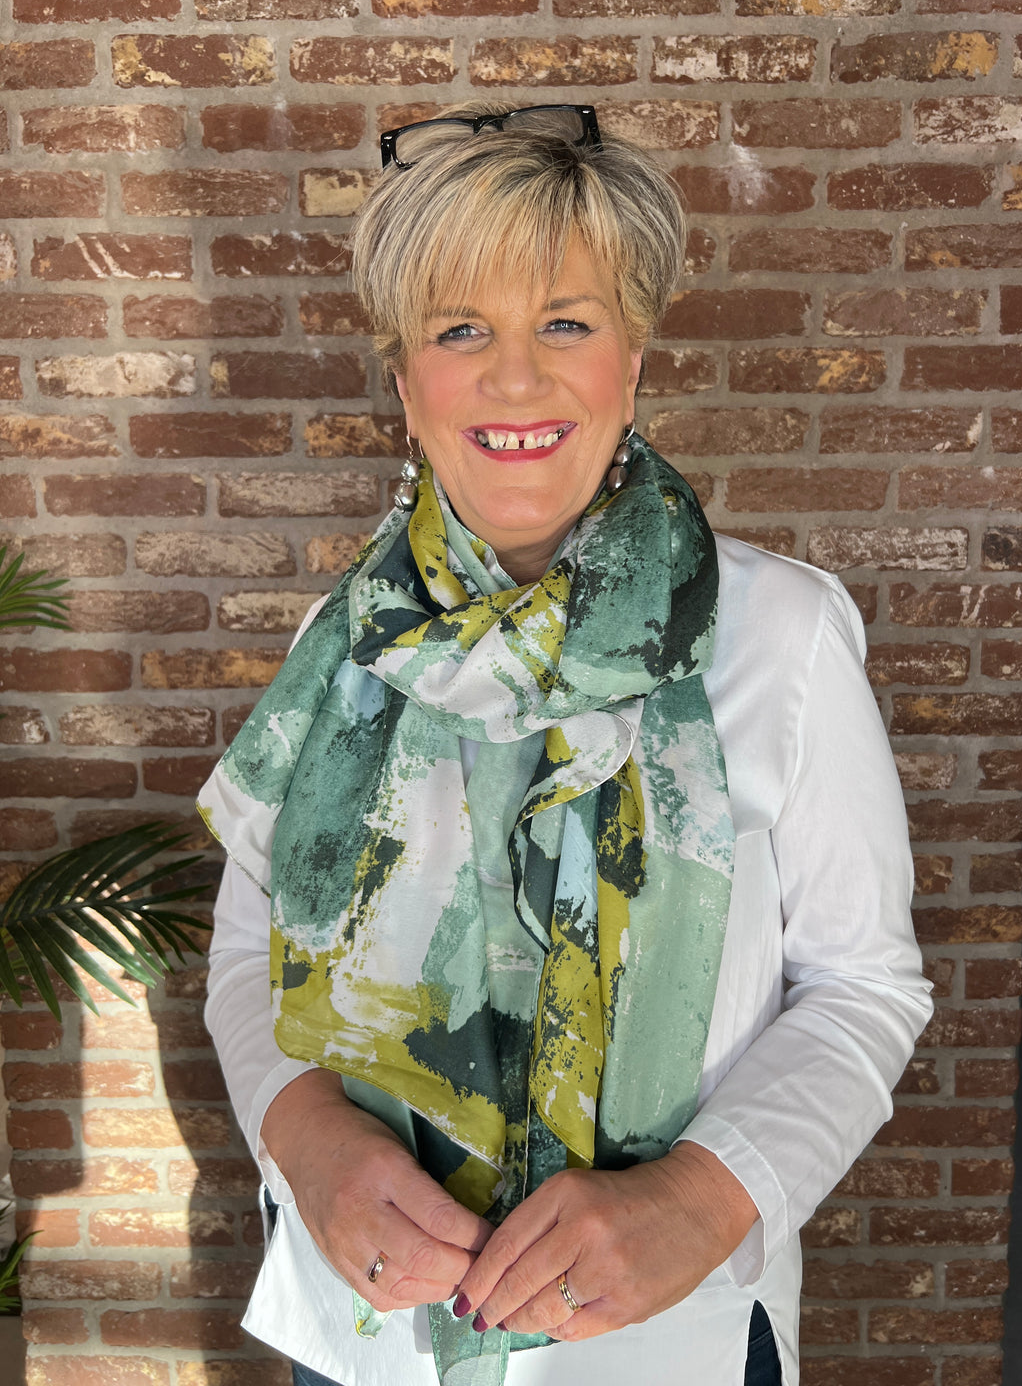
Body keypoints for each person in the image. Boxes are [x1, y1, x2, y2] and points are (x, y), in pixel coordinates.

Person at [198, 100, 933, 1386]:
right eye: (460, 329)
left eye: (566, 324)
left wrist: (703, 1198)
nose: (516, 378)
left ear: (631, 361)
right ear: (406, 379)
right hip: (367, 1336)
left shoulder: (781, 634)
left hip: (660, 1346)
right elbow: (246, 953)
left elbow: (866, 985)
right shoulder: (343, 644)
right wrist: (306, 1140)